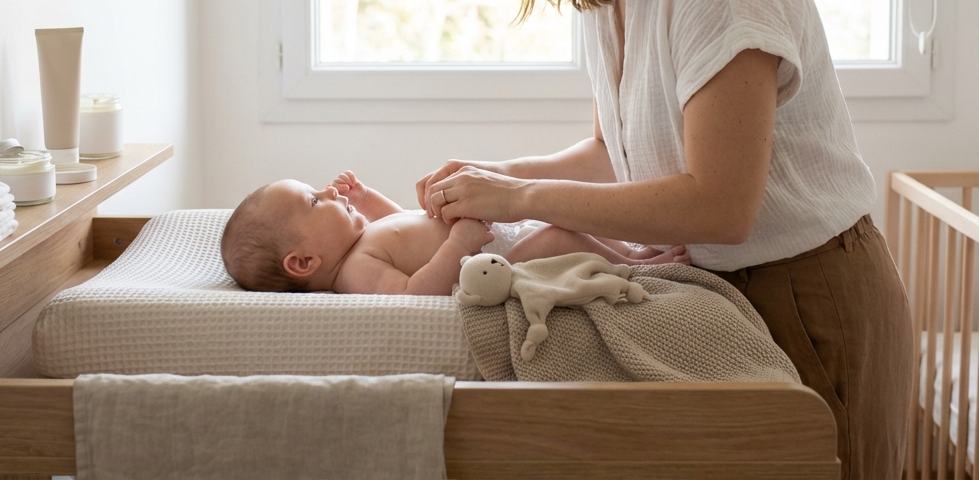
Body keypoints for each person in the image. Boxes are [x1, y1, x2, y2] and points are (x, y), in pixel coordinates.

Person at [415, 0, 912, 479]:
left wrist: (519, 196)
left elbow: (720, 204)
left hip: (806, 295)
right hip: (715, 294)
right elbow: (613, 154)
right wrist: (496, 177)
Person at [220, 170, 690, 295]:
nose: (327, 191)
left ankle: (629, 249)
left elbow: (401, 221)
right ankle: (636, 267)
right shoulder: (356, 271)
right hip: (498, 261)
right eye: (314, 201)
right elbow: (414, 292)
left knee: (563, 215)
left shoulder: (362, 240)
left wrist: (365, 198)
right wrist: (459, 245)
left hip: (497, 234)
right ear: (304, 262)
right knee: (557, 237)